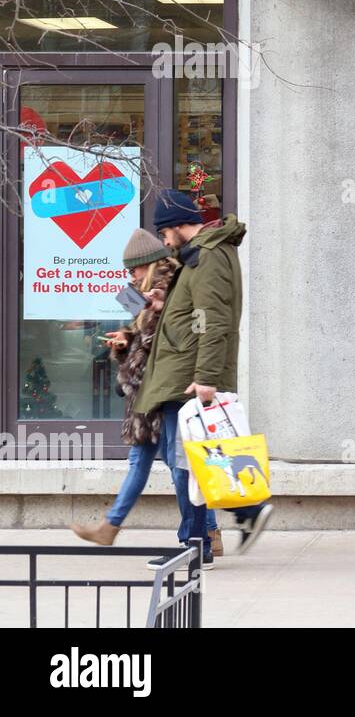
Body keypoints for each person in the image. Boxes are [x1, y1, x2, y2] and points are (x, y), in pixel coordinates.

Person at [134, 190, 272, 560]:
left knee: (186, 464)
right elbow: (197, 309)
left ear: (177, 226)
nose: (163, 241)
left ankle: (200, 543)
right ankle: (238, 516)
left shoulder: (209, 256)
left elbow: (214, 319)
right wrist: (167, 304)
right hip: (184, 373)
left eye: (164, 233)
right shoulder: (200, 255)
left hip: (189, 377)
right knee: (190, 460)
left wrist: (207, 377)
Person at [69, 230, 223, 559]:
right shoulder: (137, 292)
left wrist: (136, 340)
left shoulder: (170, 286)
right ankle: (203, 533)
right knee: (156, 461)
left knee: (177, 464)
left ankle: (199, 539)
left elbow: (167, 341)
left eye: (134, 270)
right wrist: (124, 340)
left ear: (149, 265)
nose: (130, 277)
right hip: (146, 389)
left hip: (161, 389)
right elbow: (138, 331)